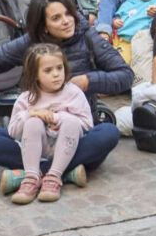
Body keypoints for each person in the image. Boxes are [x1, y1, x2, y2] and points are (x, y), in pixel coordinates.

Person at [0, 0, 128, 186]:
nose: (66, 21)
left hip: (75, 133)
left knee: (108, 133)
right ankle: (63, 172)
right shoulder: (30, 43)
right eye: (56, 18)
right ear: (43, 26)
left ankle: (35, 174)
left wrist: (87, 81)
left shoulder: (88, 37)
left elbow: (125, 75)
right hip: (33, 136)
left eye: (68, 14)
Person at [6, 43, 95, 204]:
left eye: (59, 68)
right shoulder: (26, 98)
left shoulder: (73, 93)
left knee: (106, 132)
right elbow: (13, 132)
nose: (56, 74)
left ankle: (53, 176)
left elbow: (87, 125)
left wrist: (57, 118)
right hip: (33, 152)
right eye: (48, 70)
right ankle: (32, 177)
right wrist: (31, 114)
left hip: (70, 147)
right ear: (35, 75)